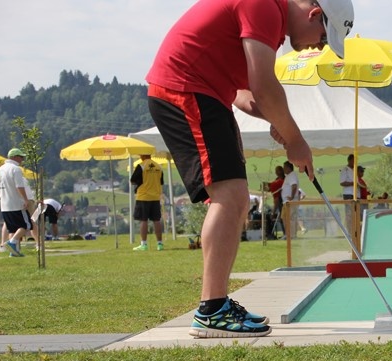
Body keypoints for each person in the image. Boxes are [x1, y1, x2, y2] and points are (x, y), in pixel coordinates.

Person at [146, 0, 354, 338]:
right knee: (230, 196)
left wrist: (281, 123)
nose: (319, 47)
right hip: (185, 88)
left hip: (206, 94)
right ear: (315, 14)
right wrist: (294, 139)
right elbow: (263, 85)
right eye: (323, 38)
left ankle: (216, 305)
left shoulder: (273, 22)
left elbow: (244, 94)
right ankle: (212, 309)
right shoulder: (265, 6)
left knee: (236, 198)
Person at [0, 148, 33, 257]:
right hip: (16, 203)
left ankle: (14, 252)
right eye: (21, 157)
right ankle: (12, 243)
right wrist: (25, 199)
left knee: (12, 229)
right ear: (15, 157)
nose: (22, 159)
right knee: (26, 225)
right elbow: (19, 186)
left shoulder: (1, 169)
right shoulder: (16, 169)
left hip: (5, 204)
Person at [131, 154, 165, 251]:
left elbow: (132, 181)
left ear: (142, 155)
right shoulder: (158, 166)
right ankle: (160, 244)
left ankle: (144, 244)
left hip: (143, 196)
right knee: (156, 220)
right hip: (155, 196)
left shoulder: (141, 166)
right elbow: (161, 182)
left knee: (143, 220)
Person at [281, 160, 301, 238]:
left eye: (284, 167)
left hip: (290, 202)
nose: (283, 169)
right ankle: (288, 234)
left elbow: (294, 186)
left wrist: (292, 197)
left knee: (290, 218)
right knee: (285, 217)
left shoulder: (292, 175)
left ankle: (291, 235)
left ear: (289, 168)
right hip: (286, 202)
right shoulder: (289, 176)